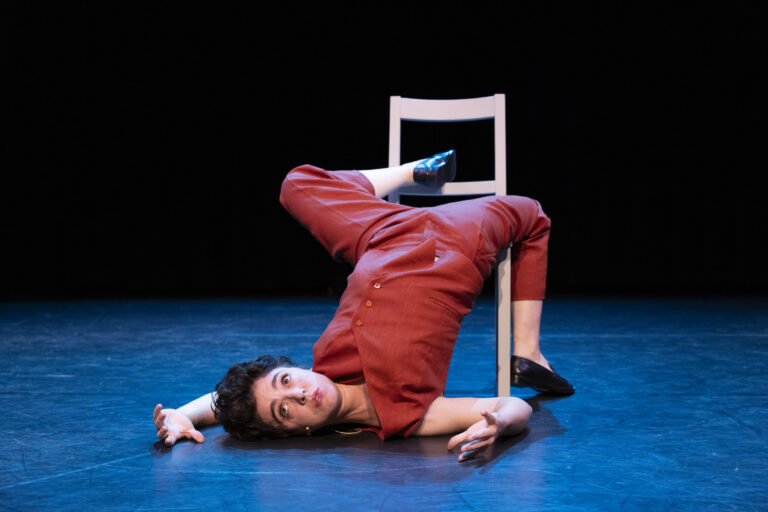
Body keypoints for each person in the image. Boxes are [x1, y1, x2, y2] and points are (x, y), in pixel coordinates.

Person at [153, 151, 573, 462]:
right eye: (285, 411)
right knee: (533, 217)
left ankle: (416, 171)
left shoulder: (326, 365)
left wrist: (180, 413)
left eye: (286, 380)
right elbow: (506, 407)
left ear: (292, 367)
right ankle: (528, 352)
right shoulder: (407, 416)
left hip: (378, 234)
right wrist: (502, 424)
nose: (300, 393)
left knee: (296, 184)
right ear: (296, 431)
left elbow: (226, 399)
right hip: (451, 239)